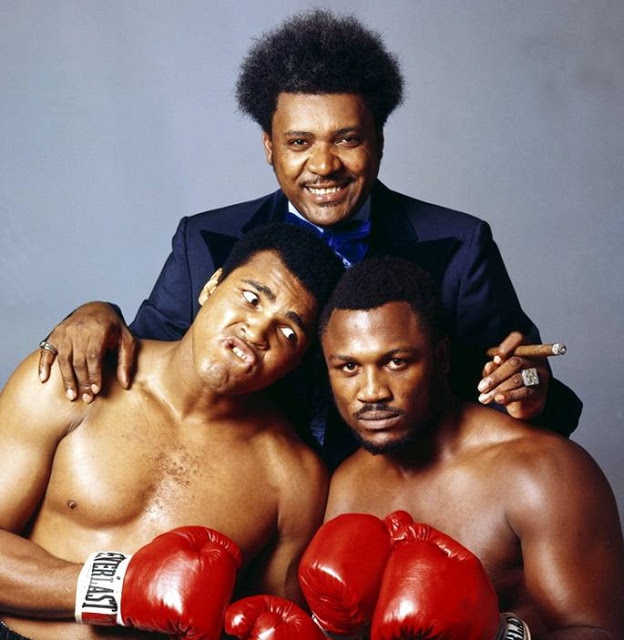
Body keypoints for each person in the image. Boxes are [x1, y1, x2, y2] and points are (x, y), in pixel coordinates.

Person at [37, 9, 581, 471]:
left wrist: (531, 391)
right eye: (299, 142)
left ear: (379, 142)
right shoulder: (204, 240)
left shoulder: (460, 245)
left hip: (401, 507)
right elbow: (146, 373)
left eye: (347, 139)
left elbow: (538, 396)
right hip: (250, 506)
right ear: (269, 147)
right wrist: (99, 312)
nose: (323, 165)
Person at [0, 224, 344, 640]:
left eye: (288, 332)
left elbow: (267, 621)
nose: (255, 332)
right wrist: (119, 589)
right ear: (211, 286)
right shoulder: (74, 379)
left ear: (298, 361)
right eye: (251, 299)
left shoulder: (294, 481)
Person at [300, 256, 621, 639]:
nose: (372, 392)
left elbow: (598, 631)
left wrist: (497, 633)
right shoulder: (346, 484)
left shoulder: (542, 471)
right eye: (349, 367)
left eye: (397, 362)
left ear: (441, 358)